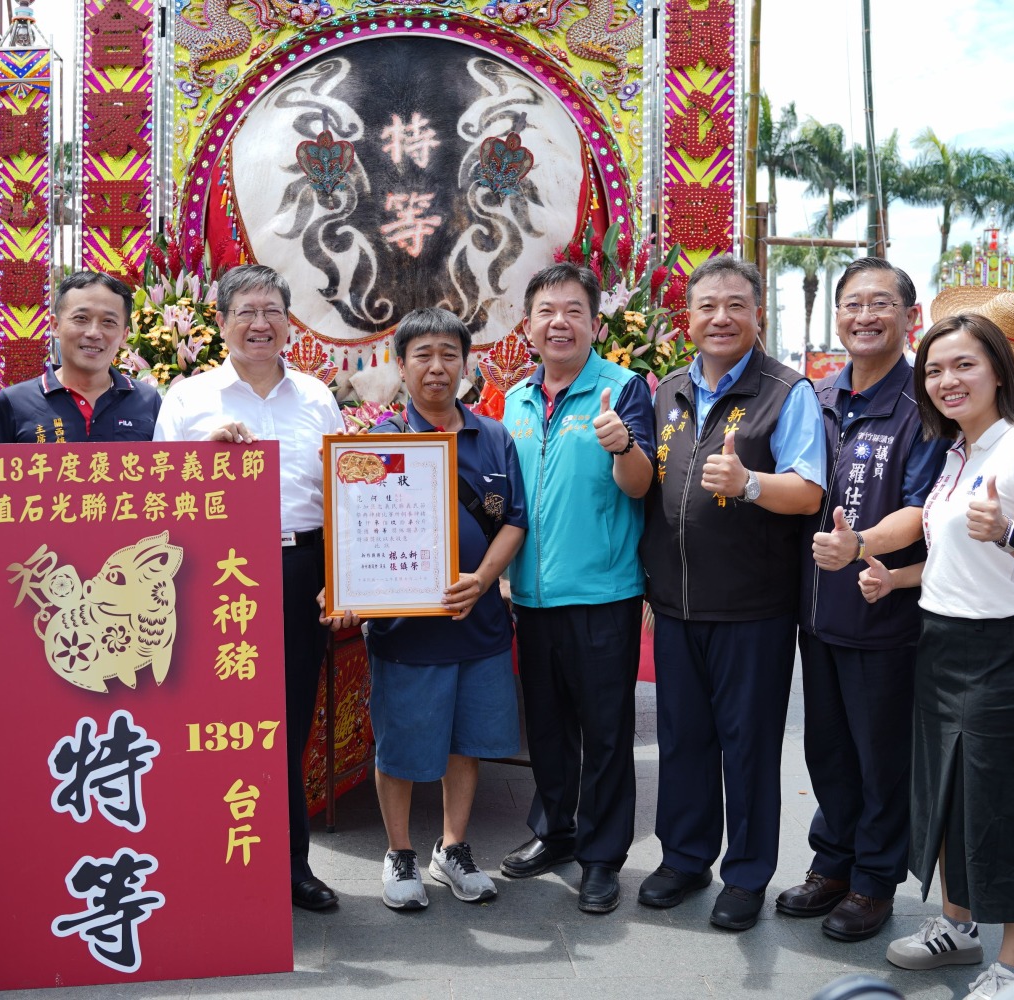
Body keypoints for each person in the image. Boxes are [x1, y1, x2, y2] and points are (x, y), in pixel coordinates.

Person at [860, 307, 1014, 999]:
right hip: (941, 642)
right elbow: (953, 556)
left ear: (998, 371)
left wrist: (1010, 531)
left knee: (1009, 807)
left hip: (1002, 652)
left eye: (964, 365)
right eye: (936, 369)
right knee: (945, 795)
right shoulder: (957, 451)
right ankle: (958, 925)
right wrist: (894, 577)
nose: (948, 380)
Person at [638, 255, 826, 931]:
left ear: (757, 315)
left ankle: (746, 874)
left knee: (747, 745)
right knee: (683, 739)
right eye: (707, 306)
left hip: (754, 607)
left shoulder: (786, 391)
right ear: (686, 318)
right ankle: (684, 859)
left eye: (736, 305)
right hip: (678, 606)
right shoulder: (666, 391)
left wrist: (748, 483)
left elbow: (808, 489)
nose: (721, 317)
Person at [154, 264, 345, 911]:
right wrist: (202, 461)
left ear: (288, 324)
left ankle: (291, 866)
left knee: (288, 724)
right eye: (246, 311)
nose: (260, 323)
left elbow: (342, 493)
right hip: (213, 572)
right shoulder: (187, 399)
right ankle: (209, 862)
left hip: (299, 572)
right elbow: (153, 500)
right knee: (214, 722)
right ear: (220, 321)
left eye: (272, 311)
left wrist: (341, 580)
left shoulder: (318, 397)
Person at [324, 307, 527, 910]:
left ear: (466, 365)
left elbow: (514, 520)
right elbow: (352, 531)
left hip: (479, 624)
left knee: (466, 741)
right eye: (423, 355)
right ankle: (399, 851)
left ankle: (453, 846)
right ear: (401, 365)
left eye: (448, 355)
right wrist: (346, 595)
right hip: (406, 631)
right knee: (403, 745)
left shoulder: (493, 437)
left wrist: (482, 580)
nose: (437, 367)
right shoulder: (375, 445)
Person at [778, 259, 950, 942]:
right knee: (828, 748)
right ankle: (834, 863)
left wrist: (860, 547)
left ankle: (876, 881)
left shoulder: (923, 405)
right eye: (852, 303)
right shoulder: (816, 397)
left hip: (884, 614)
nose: (864, 316)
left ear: (910, 316)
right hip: (818, 613)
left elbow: (920, 511)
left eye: (881, 303)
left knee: (882, 754)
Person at [498, 262, 656, 914]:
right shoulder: (515, 399)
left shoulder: (622, 391)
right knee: (549, 729)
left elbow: (642, 485)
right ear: (529, 326)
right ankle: (555, 831)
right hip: (531, 598)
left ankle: (602, 857)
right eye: (546, 312)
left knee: (607, 732)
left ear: (595, 322)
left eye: (572, 311)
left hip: (602, 595)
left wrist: (623, 446)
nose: (558, 322)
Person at [0, 271, 160, 444]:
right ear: (55, 326)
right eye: (81, 318)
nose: (93, 333)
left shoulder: (148, 401)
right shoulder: (14, 403)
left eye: (108, 322)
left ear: (124, 335)